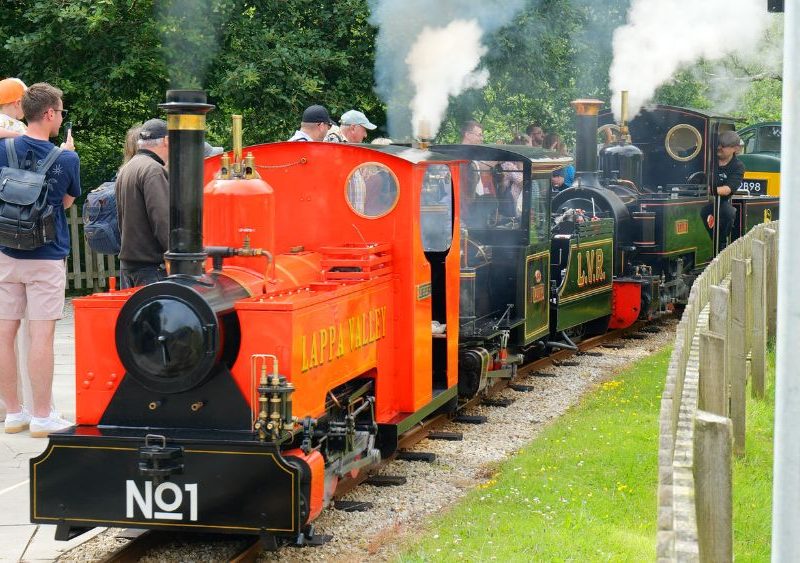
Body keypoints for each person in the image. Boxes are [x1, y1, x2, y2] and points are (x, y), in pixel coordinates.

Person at [0, 82, 80, 436]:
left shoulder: (3, 149)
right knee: (41, 336)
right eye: (60, 111)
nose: (61, 117)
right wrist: (66, 153)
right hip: (46, 256)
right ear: (49, 113)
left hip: (6, 252)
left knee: (4, 334)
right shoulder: (66, 158)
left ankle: (14, 413)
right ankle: (43, 416)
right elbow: (66, 203)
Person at [116, 118, 170, 288]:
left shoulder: (127, 169)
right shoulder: (153, 170)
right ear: (166, 140)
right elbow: (162, 219)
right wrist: (179, 257)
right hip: (151, 269)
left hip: (130, 266)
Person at [711, 130, 745, 251]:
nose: (719, 148)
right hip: (698, 198)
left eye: (724, 146)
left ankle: (721, 244)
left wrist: (708, 190)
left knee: (729, 212)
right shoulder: (707, 158)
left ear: (735, 148)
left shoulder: (738, 166)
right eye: (718, 144)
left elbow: (727, 189)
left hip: (720, 201)